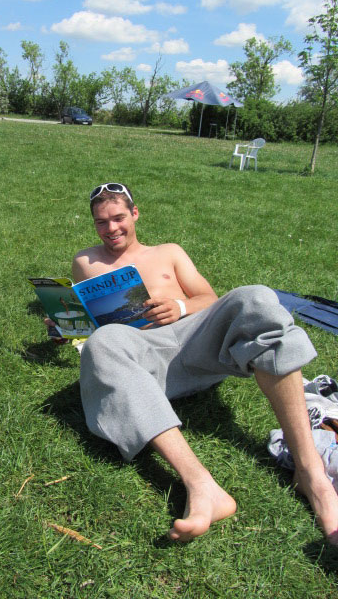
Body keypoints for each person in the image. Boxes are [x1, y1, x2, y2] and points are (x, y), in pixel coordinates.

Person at [57, 182, 338, 544]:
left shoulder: (168, 252)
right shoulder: (85, 261)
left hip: (193, 341)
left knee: (256, 298)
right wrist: (66, 325)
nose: (111, 229)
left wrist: (180, 306)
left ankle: (311, 473)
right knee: (102, 342)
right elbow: (90, 321)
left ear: (135, 214)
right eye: (101, 222)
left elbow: (209, 297)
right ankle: (201, 485)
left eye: (119, 218)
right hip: (142, 357)